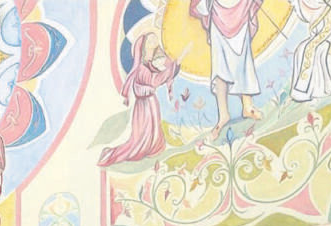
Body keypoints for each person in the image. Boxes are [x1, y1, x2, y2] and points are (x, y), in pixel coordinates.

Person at [98, 33, 183, 166]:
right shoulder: (142, 69)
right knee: (143, 135)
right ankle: (122, 153)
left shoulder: (150, 65)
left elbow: (162, 75)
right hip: (144, 106)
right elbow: (156, 80)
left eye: (155, 41)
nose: (154, 43)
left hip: (151, 103)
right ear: (144, 48)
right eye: (150, 42)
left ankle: (153, 148)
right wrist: (173, 66)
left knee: (153, 130)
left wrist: (174, 65)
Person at [190, 0, 264, 137]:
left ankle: (247, 105)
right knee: (220, 67)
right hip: (218, 16)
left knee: (243, 59)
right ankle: (223, 114)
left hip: (241, 10)